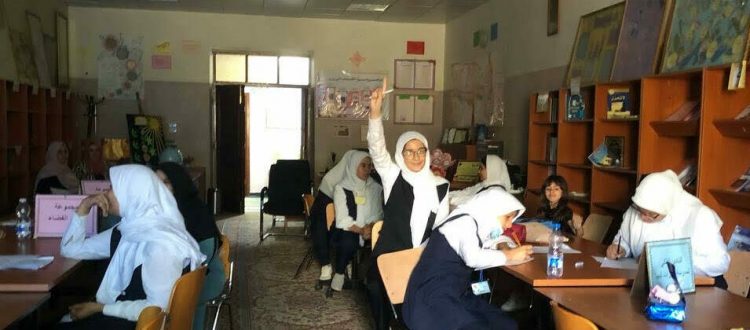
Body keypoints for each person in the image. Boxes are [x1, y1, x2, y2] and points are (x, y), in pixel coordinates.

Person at [58, 164, 205, 329]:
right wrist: (85, 206)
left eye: (113, 188)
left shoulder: (160, 243)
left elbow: (157, 309)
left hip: (137, 324)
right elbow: (70, 249)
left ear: (132, 194)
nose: (105, 194)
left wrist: (99, 308)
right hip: (123, 317)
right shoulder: (129, 229)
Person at [367, 79, 450, 329]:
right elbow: (377, 149)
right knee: (380, 294)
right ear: (401, 155)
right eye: (409, 151)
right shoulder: (393, 176)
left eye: (421, 151)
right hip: (392, 254)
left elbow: (443, 227)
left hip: (424, 257)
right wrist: (375, 113)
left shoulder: (440, 185)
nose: (416, 156)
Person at [403, 187, 532, 330]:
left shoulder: (475, 221)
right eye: (507, 217)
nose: (509, 224)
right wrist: (508, 255)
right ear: (492, 209)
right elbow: (473, 258)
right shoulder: (464, 223)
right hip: (430, 299)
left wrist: (505, 248)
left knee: (506, 324)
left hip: (455, 294)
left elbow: (489, 241)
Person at [606, 170, 730, 285]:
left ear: (668, 207)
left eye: (651, 215)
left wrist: (669, 259)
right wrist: (621, 248)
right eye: (641, 211)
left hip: (695, 287)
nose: (643, 217)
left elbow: (720, 263)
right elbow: (625, 239)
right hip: (650, 285)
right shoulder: (638, 207)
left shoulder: (700, 217)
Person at [155, 162, 224, 330]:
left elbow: (200, 267)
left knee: (152, 302)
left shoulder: (194, 211)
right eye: (156, 181)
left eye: (166, 181)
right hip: (181, 275)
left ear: (178, 183)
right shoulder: (166, 208)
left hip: (204, 278)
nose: (159, 187)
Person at [330, 151, 383, 291]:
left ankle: (374, 281)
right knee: (349, 241)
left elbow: (378, 213)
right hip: (347, 228)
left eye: (370, 166)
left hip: (369, 227)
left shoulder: (375, 187)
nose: (367, 169)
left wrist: (371, 228)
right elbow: (342, 219)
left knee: (386, 240)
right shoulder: (341, 188)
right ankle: (340, 272)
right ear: (353, 166)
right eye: (363, 165)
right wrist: (361, 230)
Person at [312, 149, 358, 286]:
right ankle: (326, 264)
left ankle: (349, 262)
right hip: (326, 204)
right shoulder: (331, 180)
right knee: (323, 225)